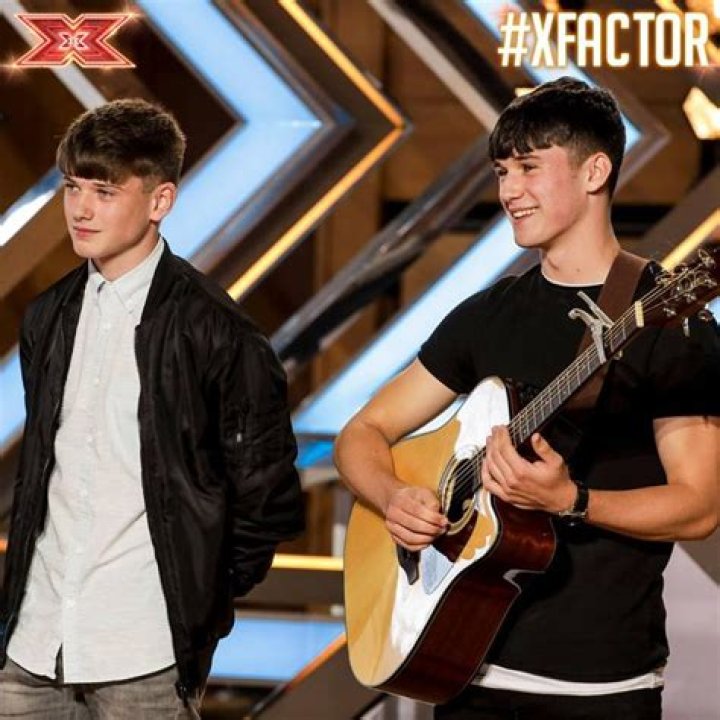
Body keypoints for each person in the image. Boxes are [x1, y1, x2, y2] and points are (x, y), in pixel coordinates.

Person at [334, 77, 720, 719]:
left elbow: (699, 506)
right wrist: (393, 496)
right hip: (464, 674)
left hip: (602, 691)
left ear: (595, 171)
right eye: (502, 171)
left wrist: (572, 501)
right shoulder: (488, 315)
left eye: (530, 167)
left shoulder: (672, 324)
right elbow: (362, 433)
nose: (509, 191)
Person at [0, 99, 305, 718]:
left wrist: (198, 605)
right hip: (33, 645)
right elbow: (44, 474)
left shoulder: (219, 332)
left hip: (145, 655)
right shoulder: (48, 317)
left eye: (105, 191)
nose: (80, 209)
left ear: (160, 200)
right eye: (72, 187)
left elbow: (267, 499)